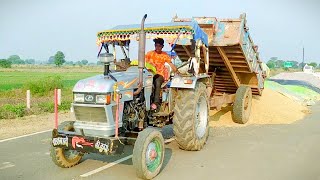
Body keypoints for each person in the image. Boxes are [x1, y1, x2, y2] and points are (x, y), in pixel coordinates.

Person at [145, 38, 180, 112]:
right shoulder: (149, 54)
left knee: (157, 82)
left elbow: (171, 64)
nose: (157, 47)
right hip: (149, 74)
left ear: (162, 46)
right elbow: (144, 63)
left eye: (159, 46)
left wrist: (177, 72)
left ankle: (156, 103)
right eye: (156, 46)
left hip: (159, 75)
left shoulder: (164, 55)